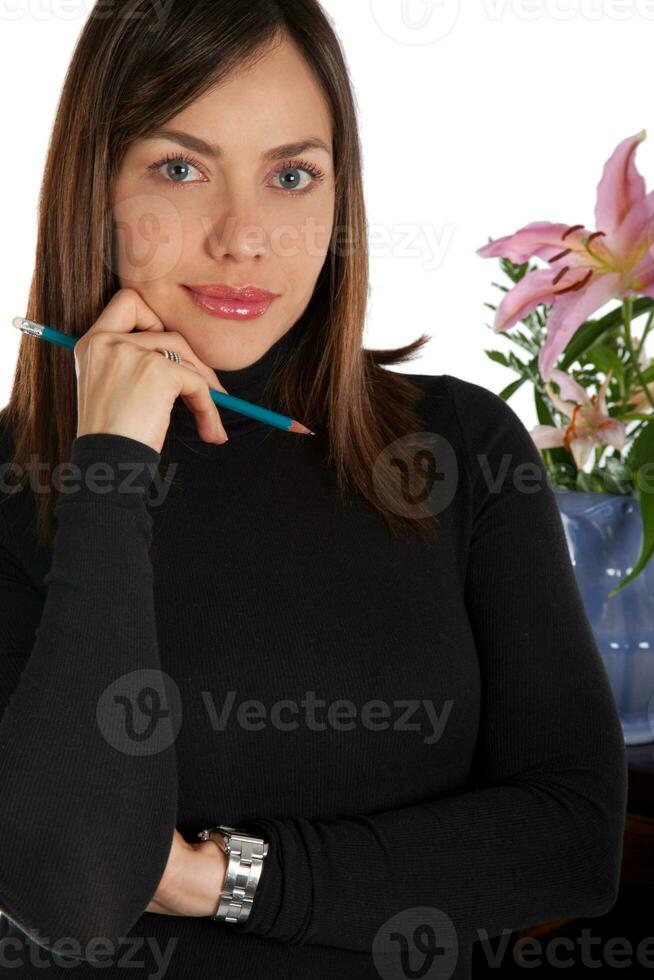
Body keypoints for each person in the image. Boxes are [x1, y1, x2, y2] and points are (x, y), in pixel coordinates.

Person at [0, 2, 627, 978]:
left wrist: (214, 876)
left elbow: (575, 839)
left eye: (291, 175)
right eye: (180, 167)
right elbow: (71, 890)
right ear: (96, 186)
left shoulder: (455, 445)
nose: (245, 238)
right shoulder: (23, 485)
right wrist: (110, 464)